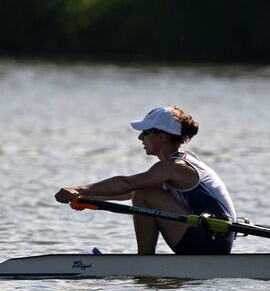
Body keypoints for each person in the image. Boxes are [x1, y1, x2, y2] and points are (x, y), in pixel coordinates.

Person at [54, 106, 237, 255]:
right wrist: (88, 200)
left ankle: (144, 260)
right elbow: (130, 193)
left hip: (211, 242)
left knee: (144, 191)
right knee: (143, 192)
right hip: (212, 237)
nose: (140, 137)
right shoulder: (178, 164)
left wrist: (79, 189)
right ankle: (145, 261)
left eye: (145, 133)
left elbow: (129, 184)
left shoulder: (175, 166)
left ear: (162, 136)